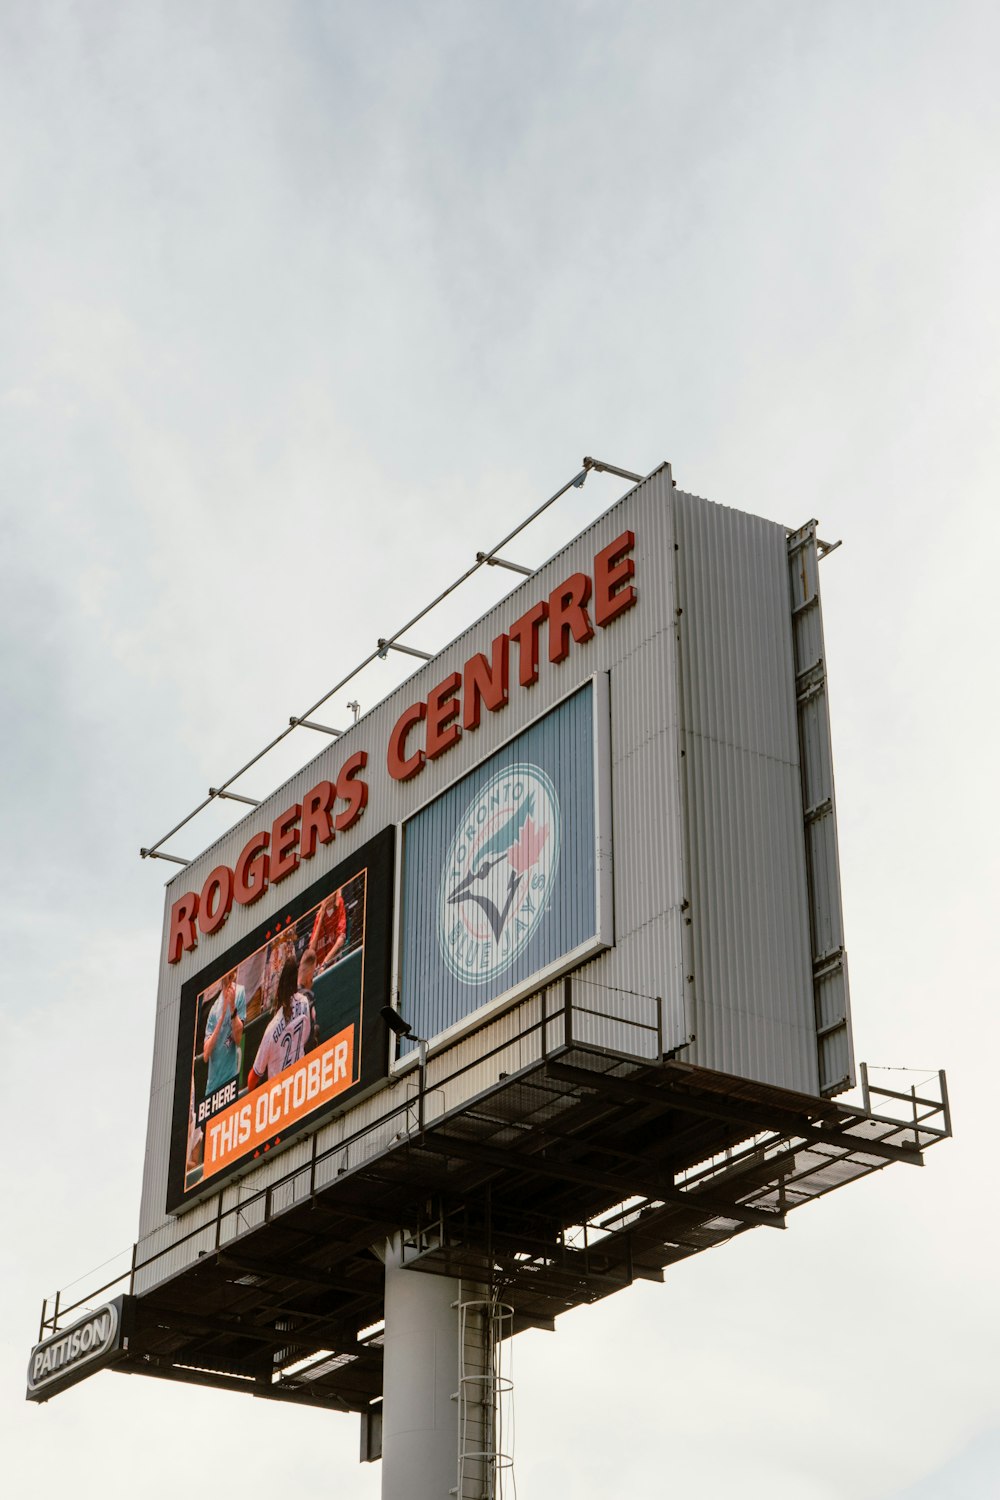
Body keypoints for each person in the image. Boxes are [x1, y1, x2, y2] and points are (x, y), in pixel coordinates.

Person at [247, 958, 317, 1088]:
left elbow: (253, 1077)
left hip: (279, 1093)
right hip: (301, 1083)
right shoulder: (304, 1002)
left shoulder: (272, 1028)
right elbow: (306, 1037)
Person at [202, 969, 246, 1094]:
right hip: (212, 1087)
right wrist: (221, 1019)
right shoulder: (214, 1009)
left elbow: (238, 1040)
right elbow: (206, 1055)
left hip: (230, 1081)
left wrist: (232, 1008)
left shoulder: (240, 992)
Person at [310, 889, 347, 974]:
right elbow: (311, 949)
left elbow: (341, 939)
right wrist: (322, 914)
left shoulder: (340, 903)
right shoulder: (319, 916)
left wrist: (325, 962)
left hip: (333, 962)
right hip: (319, 970)